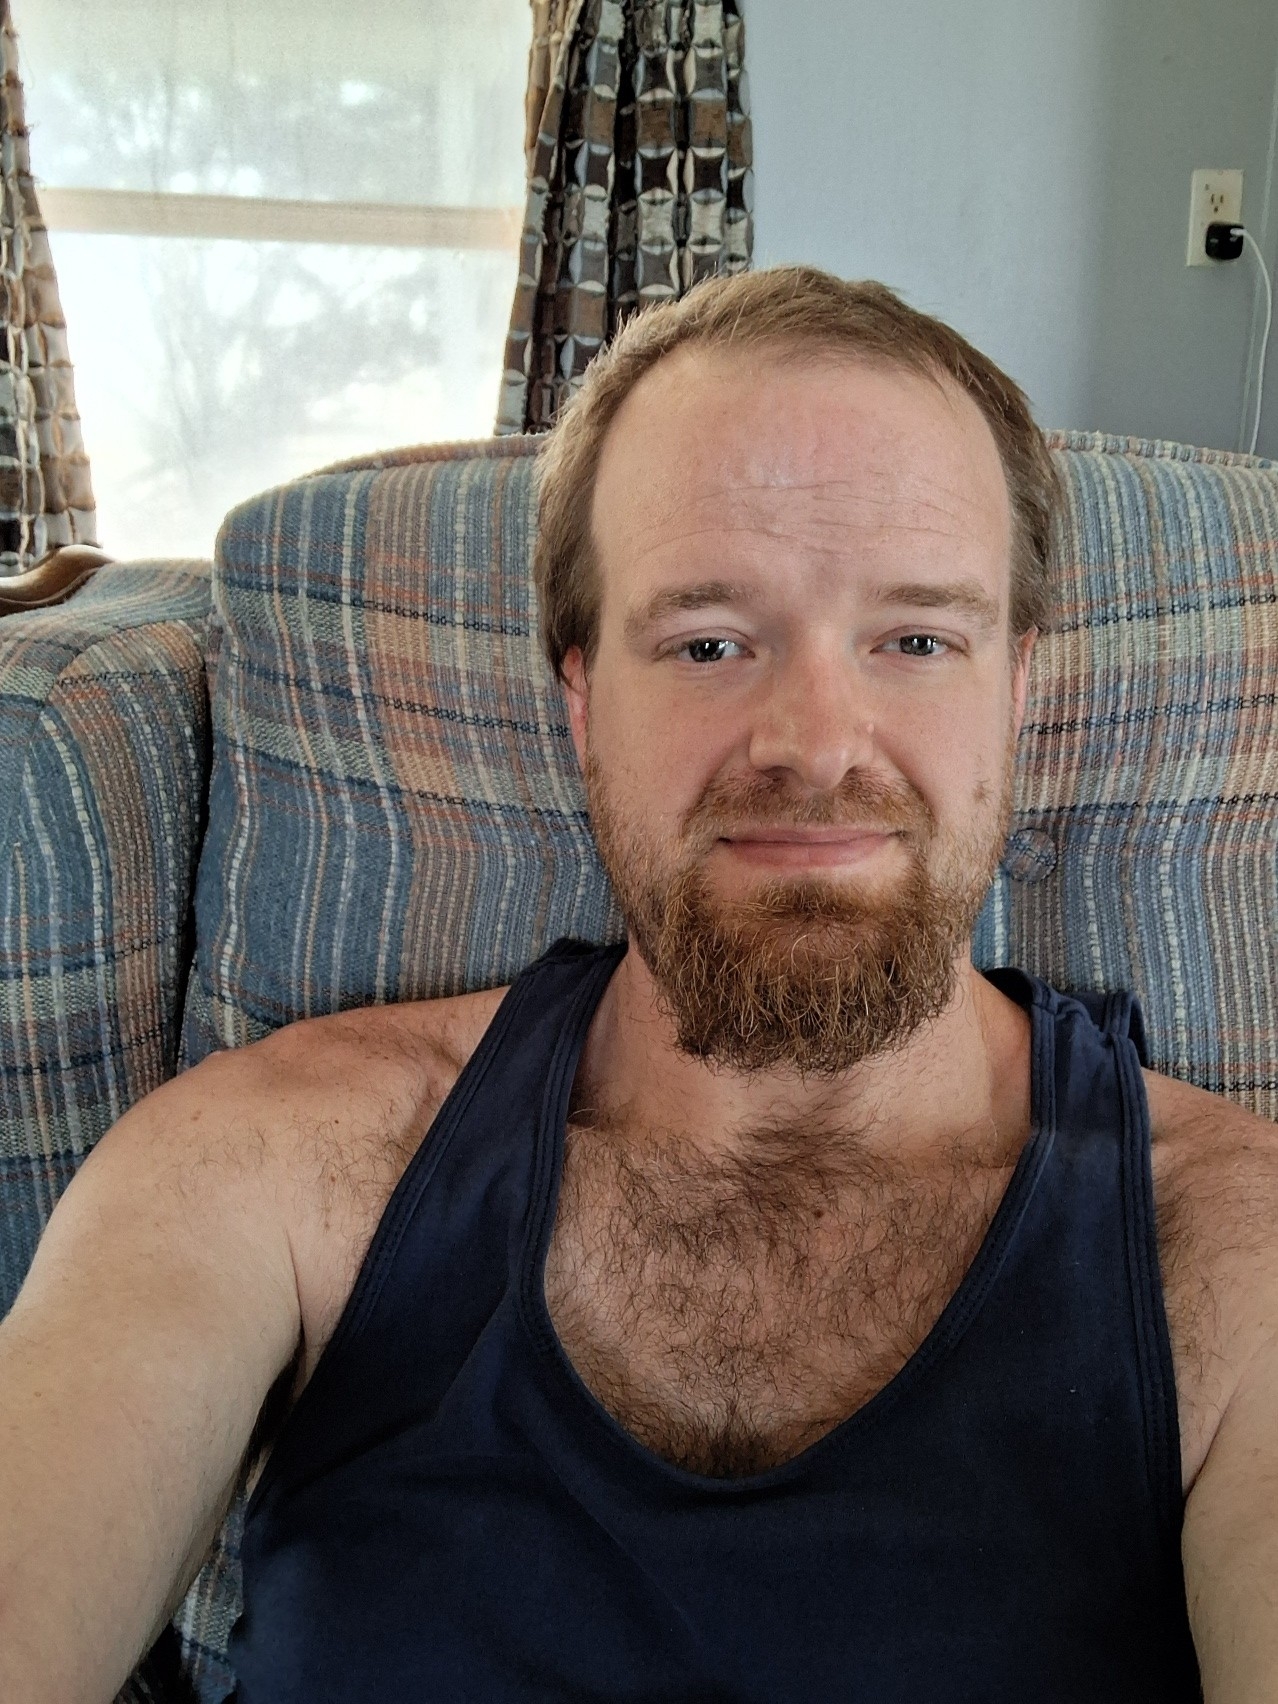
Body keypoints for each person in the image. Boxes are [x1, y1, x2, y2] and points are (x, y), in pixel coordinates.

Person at [1, 266, 1274, 1704]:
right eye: (708, 642)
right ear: (583, 699)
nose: (815, 743)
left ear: (1014, 690)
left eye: (916, 639)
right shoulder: (282, 1164)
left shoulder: (1231, 1254)